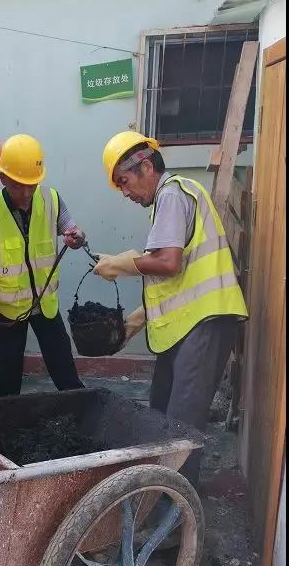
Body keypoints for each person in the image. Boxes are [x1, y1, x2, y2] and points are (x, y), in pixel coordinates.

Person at [93, 131, 248, 485]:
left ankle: (177, 516)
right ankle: (164, 495)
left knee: (181, 427)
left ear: (146, 166)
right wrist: (133, 323)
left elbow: (167, 263)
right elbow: (172, 286)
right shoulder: (170, 200)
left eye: (124, 181)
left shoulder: (173, 194)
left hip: (206, 323)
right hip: (189, 325)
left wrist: (123, 264)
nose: (125, 192)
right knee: (161, 411)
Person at [0, 134, 86, 397]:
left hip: (44, 304)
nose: (27, 193)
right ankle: (5, 431)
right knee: (7, 383)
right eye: (19, 186)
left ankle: (80, 415)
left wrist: (76, 238)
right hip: (6, 309)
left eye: (32, 185)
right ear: (4, 179)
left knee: (65, 372)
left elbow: (71, 230)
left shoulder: (51, 199)